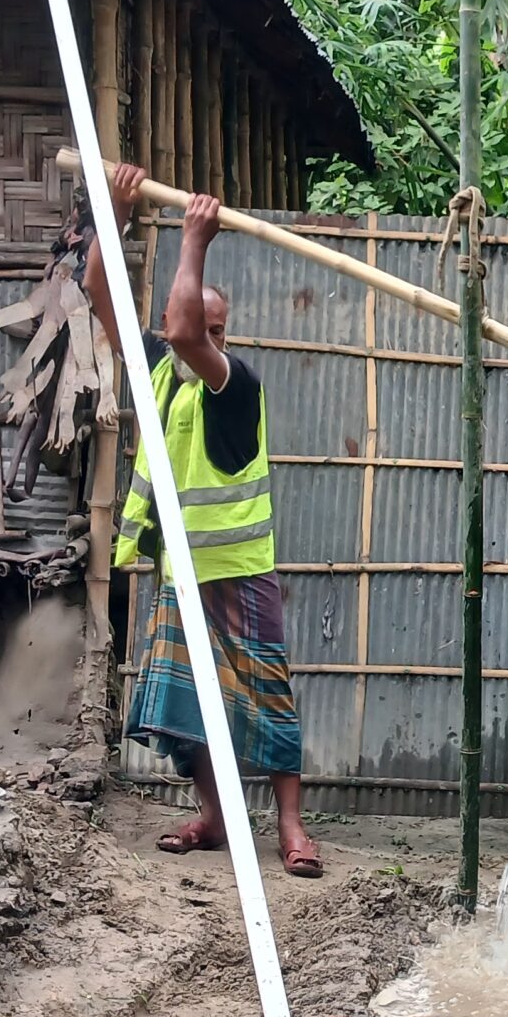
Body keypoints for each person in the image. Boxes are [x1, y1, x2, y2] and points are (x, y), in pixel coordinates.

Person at [86, 163, 320, 878]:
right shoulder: (158, 367)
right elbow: (99, 290)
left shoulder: (232, 383)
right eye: (196, 327)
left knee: (268, 700)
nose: (203, 339)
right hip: (181, 571)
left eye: (216, 331)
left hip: (240, 573)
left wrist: (194, 240)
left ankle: (291, 827)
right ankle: (216, 816)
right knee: (188, 707)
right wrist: (115, 213)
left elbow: (186, 328)